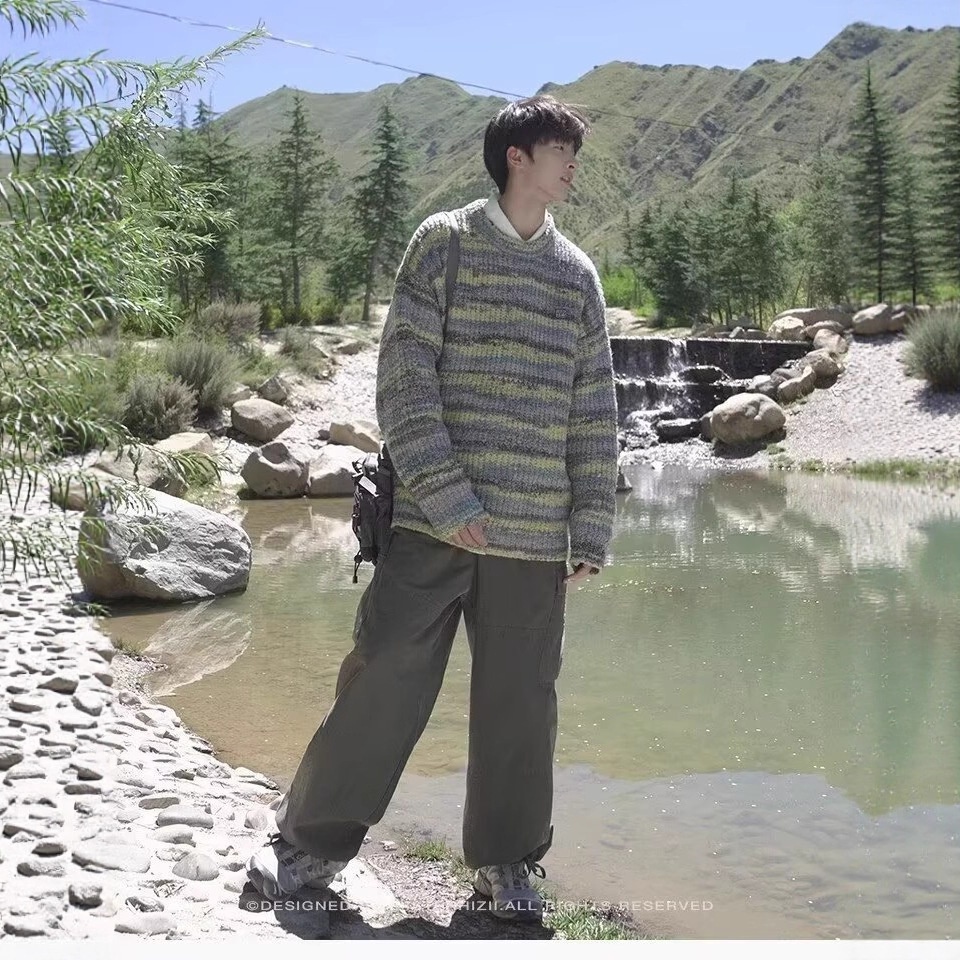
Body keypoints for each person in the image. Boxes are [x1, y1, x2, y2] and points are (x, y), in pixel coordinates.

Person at [246, 94, 619, 923]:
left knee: (522, 704)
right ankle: (307, 846)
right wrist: (448, 497)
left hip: (533, 537)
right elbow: (404, 382)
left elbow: (594, 411)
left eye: (574, 152)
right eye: (560, 149)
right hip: (430, 522)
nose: (572, 165)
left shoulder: (577, 275)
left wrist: (592, 524)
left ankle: (507, 866)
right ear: (516, 155)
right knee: (383, 678)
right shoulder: (444, 244)